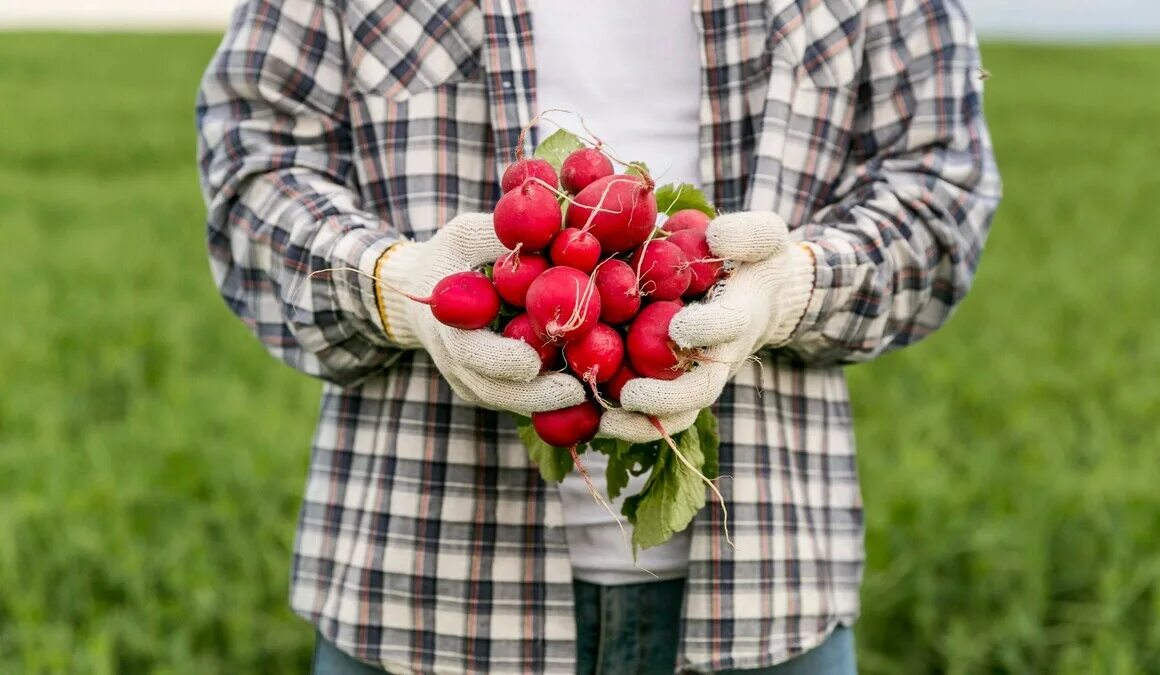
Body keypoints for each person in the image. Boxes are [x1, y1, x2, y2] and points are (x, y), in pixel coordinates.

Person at [196, 0, 999, 672]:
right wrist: (397, 287)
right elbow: (251, 167)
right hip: (418, 597)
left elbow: (940, 188)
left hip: (773, 603)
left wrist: (794, 287)